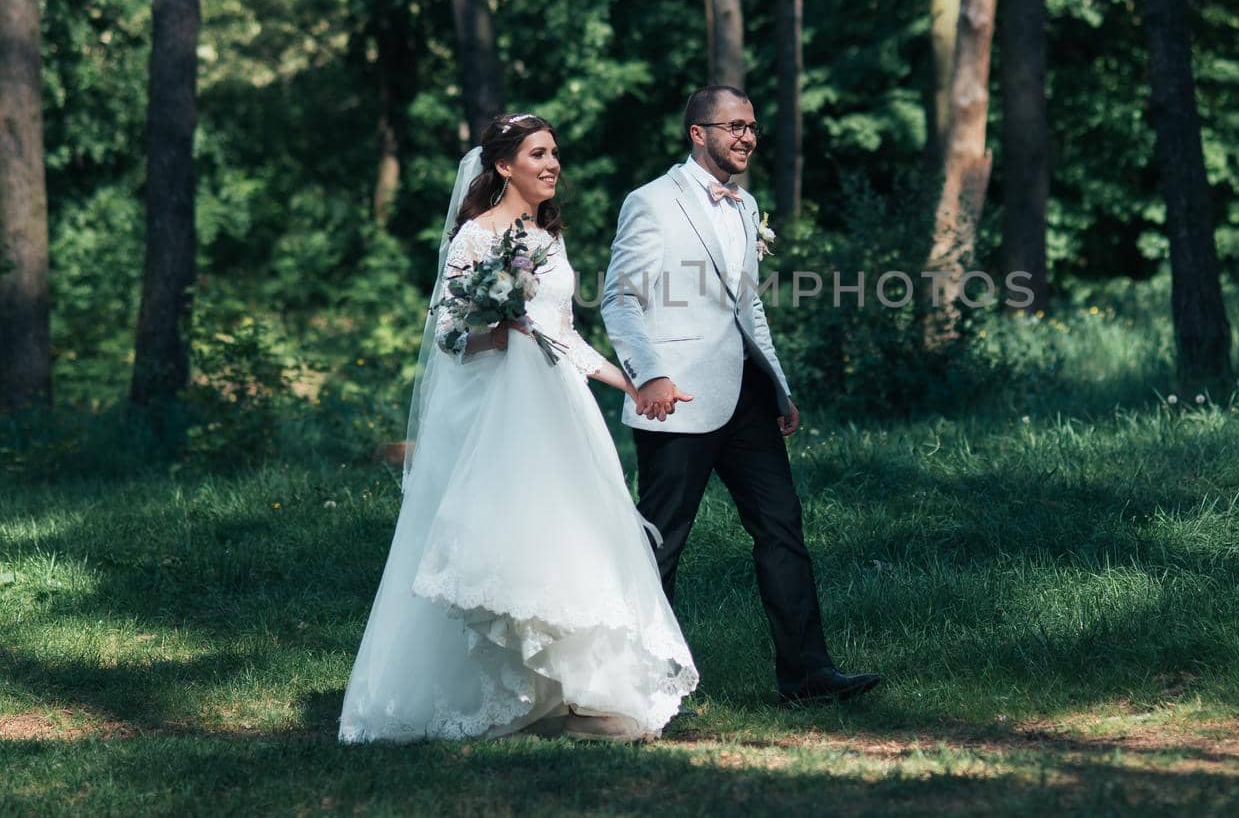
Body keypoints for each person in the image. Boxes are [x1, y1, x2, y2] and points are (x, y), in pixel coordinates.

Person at [339, 114, 696, 744]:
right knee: (503, 545)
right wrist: (499, 331)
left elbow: (564, 334)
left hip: (557, 411)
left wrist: (636, 385)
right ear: (504, 165)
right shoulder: (475, 238)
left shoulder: (548, 238)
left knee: (572, 537)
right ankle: (500, 692)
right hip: (495, 416)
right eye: (538, 154)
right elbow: (448, 333)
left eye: (555, 153)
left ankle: (577, 693)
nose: (553, 164)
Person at [601, 86, 882, 705]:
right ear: (698, 133)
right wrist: (649, 375)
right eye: (734, 127)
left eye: (753, 127)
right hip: (675, 398)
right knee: (661, 541)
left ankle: (807, 675)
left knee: (782, 530)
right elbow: (619, 299)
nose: (747, 137)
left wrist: (778, 385)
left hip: (747, 397)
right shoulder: (650, 202)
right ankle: (636, 683)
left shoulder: (747, 204)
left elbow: (746, 306)